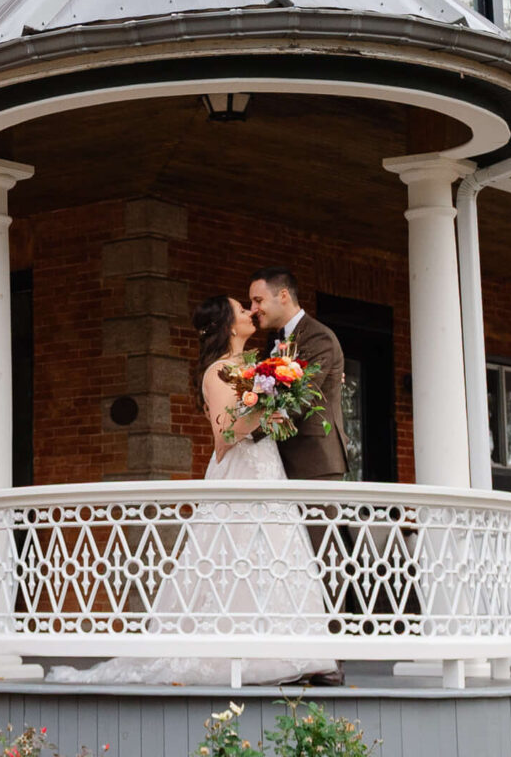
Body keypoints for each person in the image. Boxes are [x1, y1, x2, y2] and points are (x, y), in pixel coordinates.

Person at [44, 294, 334, 687]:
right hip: (239, 472)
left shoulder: (254, 365)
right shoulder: (218, 372)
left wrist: (278, 400)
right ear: (230, 326)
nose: (251, 312)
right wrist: (266, 403)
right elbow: (224, 436)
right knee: (233, 559)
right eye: (241, 309)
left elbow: (270, 421)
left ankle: (290, 651)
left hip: (267, 471)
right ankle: (236, 655)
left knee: (277, 555)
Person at [248, 269, 347, 480]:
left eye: (258, 300)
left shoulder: (319, 337)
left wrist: (246, 432)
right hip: (278, 460)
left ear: (283, 296)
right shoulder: (272, 342)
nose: (253, 309)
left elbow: (301, 399)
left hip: (314, 461)